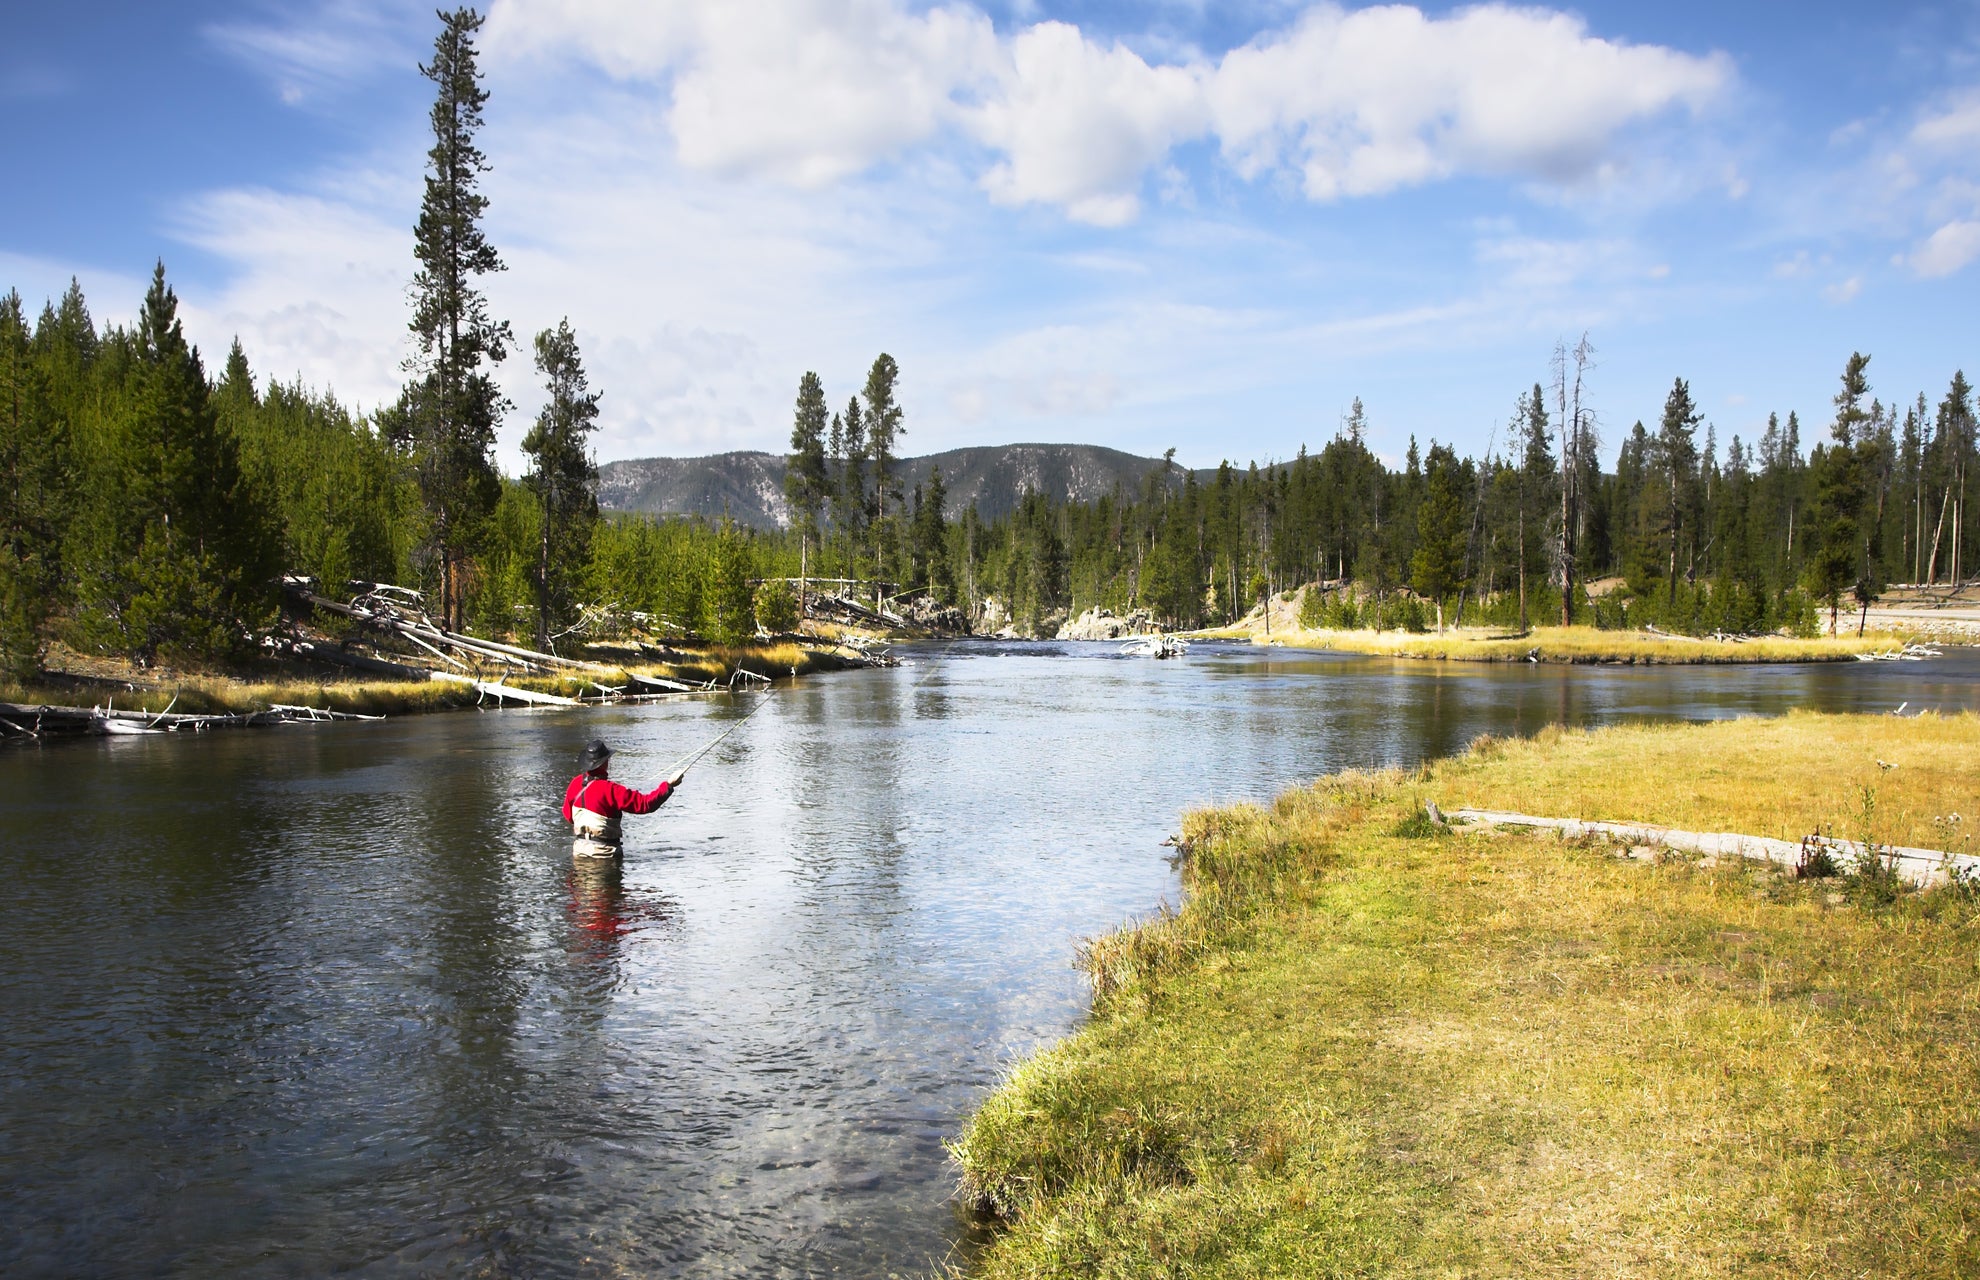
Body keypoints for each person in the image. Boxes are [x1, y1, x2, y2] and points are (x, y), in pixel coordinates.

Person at [561, 738, 683, 859]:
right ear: (605, 762)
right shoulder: (611, 789)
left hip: (579, 850)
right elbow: (645, 804)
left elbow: (568, 815)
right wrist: (669, 785)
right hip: (605, 855)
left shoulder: (574, 784)